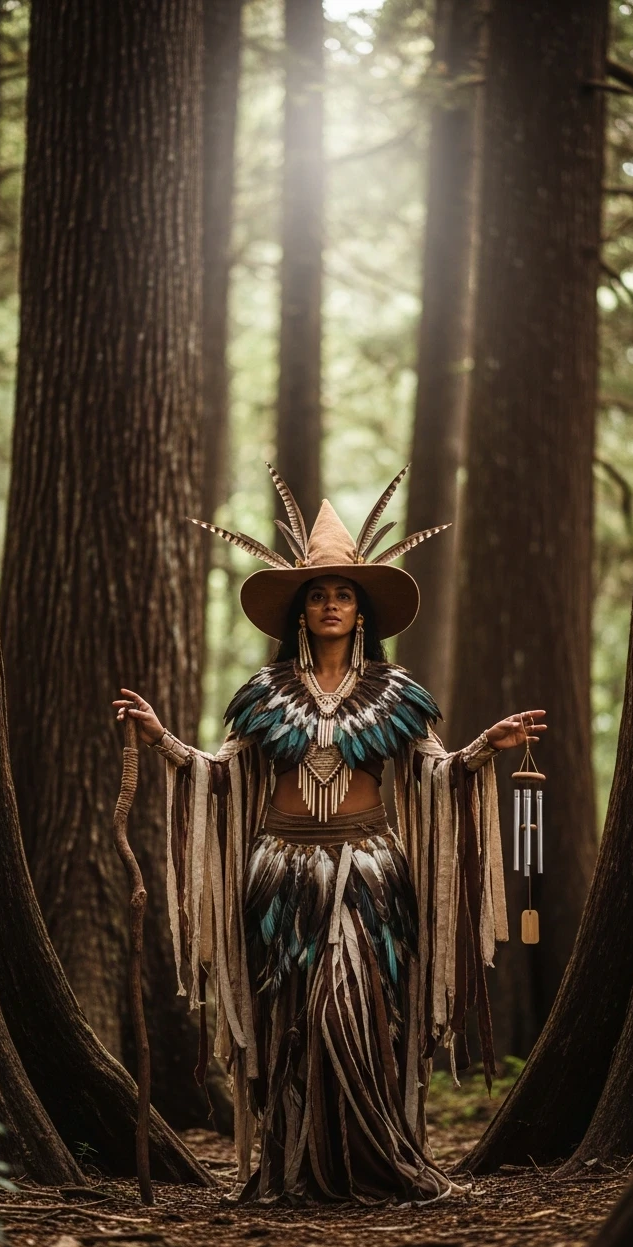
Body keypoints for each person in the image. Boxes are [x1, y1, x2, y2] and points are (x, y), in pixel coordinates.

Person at [114, 465, 546, 1204]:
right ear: (300, 613)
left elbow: (435, 772)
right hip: (280, 877)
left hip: (370, 879)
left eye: (344, 594)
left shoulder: (398, 692)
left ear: (363, 610)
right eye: (319, 595)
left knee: (355, 1007)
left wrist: (485, 747)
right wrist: (160, 741)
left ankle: (376, 1157)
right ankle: (298, 1167)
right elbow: (222, 778)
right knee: (291, 1023)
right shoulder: (264, 693)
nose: (332, 604)